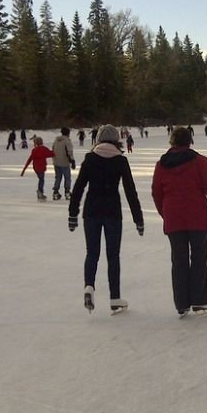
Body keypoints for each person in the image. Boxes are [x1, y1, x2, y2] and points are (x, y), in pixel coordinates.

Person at [68, 124, 144, 315]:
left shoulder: (90, 159)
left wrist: (72, 214)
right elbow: (130, 191)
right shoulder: (120, 161)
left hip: (91, 211)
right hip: (112, 212)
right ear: (116, 140)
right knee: (113, 255)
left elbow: (78, 188)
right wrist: (138, 219)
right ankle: (115, 297)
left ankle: (89, 286)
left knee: (92, 252)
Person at [152, 126, 207, 317]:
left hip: (174, 219)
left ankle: (182, 303)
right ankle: (199, 301)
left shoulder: (162, 165)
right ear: (189, 141)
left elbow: (156, 193)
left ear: (172, 142)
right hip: (197, 217)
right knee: (199, 258)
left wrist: (165, 213)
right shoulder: (200, 162)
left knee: (179, 260)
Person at [20, 136, 54, 201]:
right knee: (41, 180)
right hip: (41, 167)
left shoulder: (34, 150)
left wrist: (24, 170)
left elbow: (29, 159)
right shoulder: (44, 149)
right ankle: (40, 192)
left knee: (41, 179)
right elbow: (51, 154)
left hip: (36, 168)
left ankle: (40, 192)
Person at [51, 127, 76, 200]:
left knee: (58, 177)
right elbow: (69, 151)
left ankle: (55, 192)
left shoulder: (56, 140)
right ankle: (67, 192)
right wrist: (72, 160)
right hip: (64, 162)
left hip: (56, 162)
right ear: (68, 133)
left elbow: (53, 149)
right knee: (67, 178)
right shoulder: (67, 141)